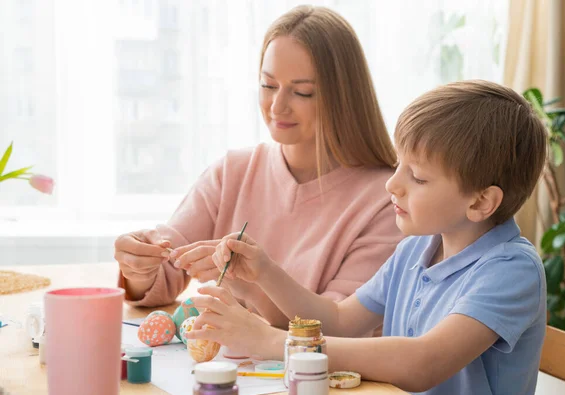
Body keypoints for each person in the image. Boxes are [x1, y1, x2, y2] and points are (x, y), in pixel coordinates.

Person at [188, 80, 548, 395]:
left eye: (418, 177)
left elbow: (424, 363)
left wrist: (271, 342)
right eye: (397, 165)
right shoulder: (415, 250)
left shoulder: (511, 270)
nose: (392, 185)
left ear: (481, 201)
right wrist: (265, 271)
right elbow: (338, 320)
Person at [114, 5, 404, 328]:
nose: (277, 106)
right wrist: (138, 268)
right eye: (268, 86)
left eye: (302, 92)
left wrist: (252, 285)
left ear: (343, 97)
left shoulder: (387, 200)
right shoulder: (233, 172)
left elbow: (338, 329)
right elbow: (162, 276)